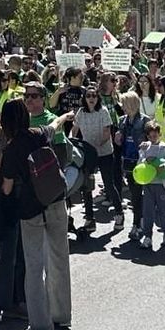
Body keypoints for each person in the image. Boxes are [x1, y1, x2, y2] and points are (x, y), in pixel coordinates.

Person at [0, 98, 73, 330]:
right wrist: (66, 116)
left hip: (30, 210)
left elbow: (7, 188)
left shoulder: (11, 149)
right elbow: (54, 124)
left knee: (34, 267)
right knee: (59, 260)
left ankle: (41, 326)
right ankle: (62, 315)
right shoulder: (39, 134)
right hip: (55, 200)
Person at [74, 87, 123, 229]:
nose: (91, 98)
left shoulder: (103, 112)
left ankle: (119, 214)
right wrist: (72, 140)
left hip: (104, 153)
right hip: (88, 154)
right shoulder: (81, 113)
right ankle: (89, 218)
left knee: (109, 184)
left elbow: (107, 133)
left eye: (94, 96)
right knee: (87, 186)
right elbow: (75, 128)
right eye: (88, 95)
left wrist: (96, 147)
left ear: (97, 98)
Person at [138, 121, 165, 252]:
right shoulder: (145, 148)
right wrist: (143, 155)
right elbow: (140, 163)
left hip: (161, 186)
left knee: (163, 211)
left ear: (159, 134)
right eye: (150, 136)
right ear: (147, 136)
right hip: (148, 184)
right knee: (148, 212)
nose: (153, 138)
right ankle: (147, 237)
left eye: (155, 135)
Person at [115, 90, 150, 241]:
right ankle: (140, 220)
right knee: (134, 193)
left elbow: (153, 139)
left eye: (124, 103)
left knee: (137, 194)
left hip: (140, 162)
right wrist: (117, 137)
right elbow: (119, 142)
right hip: (127, 161)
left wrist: (146, 144)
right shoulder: (122, 120)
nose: (122, 106)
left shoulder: (144, 120)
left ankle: (137, 223)